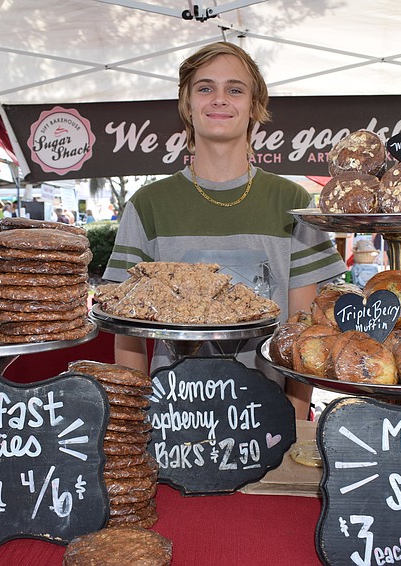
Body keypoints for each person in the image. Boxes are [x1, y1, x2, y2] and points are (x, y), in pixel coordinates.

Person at [102, 41, 347, 420]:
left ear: (253, 106)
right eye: (205, 88)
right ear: (187, 105)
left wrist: (296, 422)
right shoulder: (148, 204)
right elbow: (129, 335)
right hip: (173, 421)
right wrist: (136, 424)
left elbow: (304, 331)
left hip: (267, 418)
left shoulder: (292, 200)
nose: (219, 99)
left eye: (235, 89)